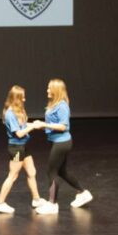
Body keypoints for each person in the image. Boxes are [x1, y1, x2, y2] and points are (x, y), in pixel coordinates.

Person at [32, 79, 92, 214]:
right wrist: (39, 125)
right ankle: (83, 193)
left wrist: (44, 125)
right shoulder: (54, 104)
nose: (47, 90)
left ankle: (52, 204)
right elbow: (52, 124)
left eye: (49, 88)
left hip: (62, 143)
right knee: (62, 172)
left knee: (51, 172)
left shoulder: (62, 106)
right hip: (57, 141)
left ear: (56, 90)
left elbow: (63, 126)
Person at [0, 85, 45, 214]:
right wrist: (33, 127)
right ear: (16, 98)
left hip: (24, 146)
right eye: (22, 97)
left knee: (32, 172)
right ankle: (0, 203)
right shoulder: (10, 113)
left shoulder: (19, 110)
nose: (24, 99)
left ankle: (36, 199)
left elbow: (22, 125)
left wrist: (35, 124)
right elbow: (19, 133)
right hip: (16, 148)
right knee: (13, 176)